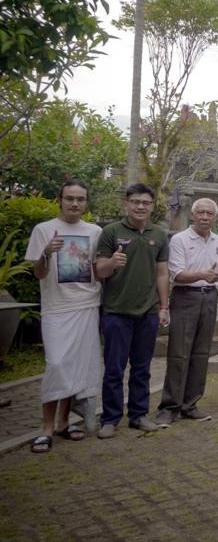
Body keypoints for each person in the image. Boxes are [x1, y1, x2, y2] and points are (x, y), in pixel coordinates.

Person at [25, 180, 103, 453]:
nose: (74, 204)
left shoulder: (94, 232)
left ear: (86, 202)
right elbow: (39, 274)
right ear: (60, 199)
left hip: (87, 305)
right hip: (57, 309)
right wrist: (46, 253)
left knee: (76, 366)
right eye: (69, 198)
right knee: (56, 365)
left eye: (80, 199)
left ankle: (63, 423)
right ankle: (45, 427)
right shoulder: (43, 230)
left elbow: (98, 269)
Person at [94, 183, 170, 439]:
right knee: (114, 368)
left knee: (142, 367)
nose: (140, 206)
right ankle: (110, 418)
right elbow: (98, 270)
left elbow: (162, 273)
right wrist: (112, 263)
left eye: (145, 203)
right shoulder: (111, 232)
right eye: (135, 202)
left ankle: (138, 415)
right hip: (116, 311)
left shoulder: (159, 235)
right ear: (126, 203)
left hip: (147, 312)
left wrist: (163, 306)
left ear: (152, 206)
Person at [155, 198, 218, 426]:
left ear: (215, 217)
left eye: (209, 213)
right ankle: (169, 407)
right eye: (201, 213)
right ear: (192, 215)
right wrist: (203, 275)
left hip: (209, 297)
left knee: (201, 353)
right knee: (178, 353)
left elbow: (215, 273)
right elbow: (177, 275)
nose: (205, 217)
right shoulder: (180, 239)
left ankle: (190, 404)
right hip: (186, 297)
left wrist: (209, 278)